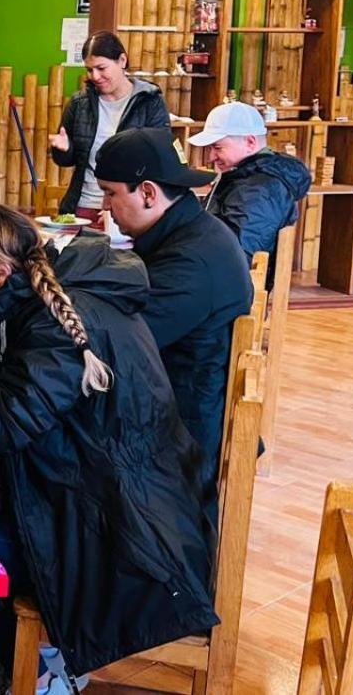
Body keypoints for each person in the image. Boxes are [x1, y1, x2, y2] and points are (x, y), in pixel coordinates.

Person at [0, 205, 217, 684]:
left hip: (126, 531)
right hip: (131, 492)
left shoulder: (51, 324)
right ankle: (40, 659)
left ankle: (43, 671)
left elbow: (6, 426)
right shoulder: (49, 299)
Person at [96, 127, 253, 507]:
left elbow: (115, 345)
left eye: (111, 193)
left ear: (148, 193)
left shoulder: (191, 261)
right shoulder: (191, 233)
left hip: (178, 443)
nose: (106, 206)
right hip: (180, 406)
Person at [49, 31, 172, 220]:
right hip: (84, 205)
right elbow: (67, 160)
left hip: (130, 208)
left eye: (101, 68)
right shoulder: (79, 103)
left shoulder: (149, 101)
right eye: (90, 70)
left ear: (122, 60)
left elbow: (160, 156)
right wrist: (63, 149)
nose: (95, 76)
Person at [189, 101, 312, 278]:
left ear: (250, 142)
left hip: (227, 291)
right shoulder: (247, 179)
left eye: (217, 147)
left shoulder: (259, 190)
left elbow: (237, 256)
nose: (210, 157)